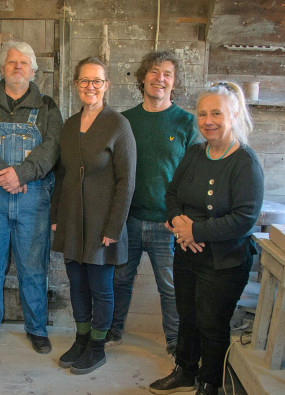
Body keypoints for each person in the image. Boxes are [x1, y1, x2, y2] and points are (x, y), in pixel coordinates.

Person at [148, 81, 264, 395]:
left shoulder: (245, 162)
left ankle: (209, 384)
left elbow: (243, 219)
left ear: (234, 114)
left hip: (224, 261)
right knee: (187, 315)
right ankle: (185, 370)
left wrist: (194, 229)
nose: (207, 120)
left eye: (216, 113)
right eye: (202, 113)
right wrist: (178, 224)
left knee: (212, 324)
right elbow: (172, 194)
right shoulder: (196, 153)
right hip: (187, 252)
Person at [0, 41, 63, 353]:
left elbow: (54, 145)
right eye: (12, 62)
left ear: (33, 71)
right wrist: (4, 173)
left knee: (34, 266)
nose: (18, 67)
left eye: (24, 63)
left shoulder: (47, 107)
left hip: (33, 197)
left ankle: (37, 328)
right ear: (3, 69)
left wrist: (24, 173)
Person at [109, 51, 200, 356]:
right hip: (129, 220)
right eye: (154, 71)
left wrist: (183, 218)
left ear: (174, 83)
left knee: (170, 288)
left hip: (168, 223)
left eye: (167, 74)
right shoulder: (125, 121)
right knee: (120, 280)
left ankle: (175, 343)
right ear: (143, 77)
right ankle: (113, 331)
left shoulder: (187, 123)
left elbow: (196, 176)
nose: (160, 78)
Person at [51, 57, 136, 375]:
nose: (90, 87)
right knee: (76, 285)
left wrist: (114, 227)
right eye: (85, 81)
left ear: (106, 86)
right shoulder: (70, 125)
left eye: (96, 81)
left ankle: (98, 347)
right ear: (76, 85)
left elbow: (127, 181)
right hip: (72, 219)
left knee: (100, 287)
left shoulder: (118, 125)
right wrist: (56, 215)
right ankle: (81, 338)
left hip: (103, 223)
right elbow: (62, 174)